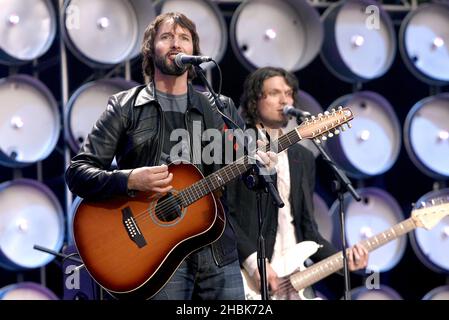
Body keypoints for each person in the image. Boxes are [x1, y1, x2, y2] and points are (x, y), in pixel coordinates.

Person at [65, 12, 276, 300]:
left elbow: (249, 177)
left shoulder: (219, 107)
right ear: (151, 50)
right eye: (166, 37)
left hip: (217, 250)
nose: (176, 43)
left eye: (184, 38)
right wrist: (129, 179)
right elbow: (78, 172)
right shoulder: (125, 106)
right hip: (155, 255)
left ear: (194, 52)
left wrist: (263, 168)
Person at [227, 66, 369, 300]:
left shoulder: (301, 157)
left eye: (289, 93)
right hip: (246, 278)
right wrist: (254, 264)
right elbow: (225, 215)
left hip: (293, 281)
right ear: (254, 101)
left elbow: (308, 230)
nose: (285, 99)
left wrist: (344, 261)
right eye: (274, 93)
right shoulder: (236, 148)